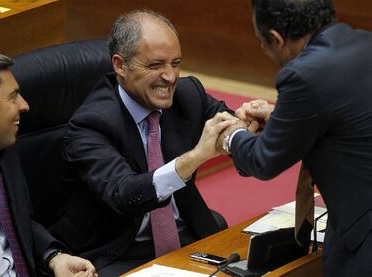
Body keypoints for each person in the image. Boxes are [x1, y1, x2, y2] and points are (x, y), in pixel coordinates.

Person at [50, 9, 235, 276]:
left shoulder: (188, 95)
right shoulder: (91, 124)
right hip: (118, 253)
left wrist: (244, 124)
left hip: (188, 237)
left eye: (176, 63)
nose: (170, 77)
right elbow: (124, 194)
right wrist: (195, 157)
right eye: (155, 65)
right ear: (120, 65)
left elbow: (228, 123)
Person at [217, 0, 372, 275]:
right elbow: (347, 113)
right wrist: (281, 115)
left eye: (260, 41)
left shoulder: (303, 74)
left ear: (276, 39)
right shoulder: (364, 42)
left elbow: (264, 161)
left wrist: (232, 135)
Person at [0, 49, 97, 277]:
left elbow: (20, 223)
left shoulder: (4, 148)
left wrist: (55, 257)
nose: (25, 106)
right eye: (13, 96)